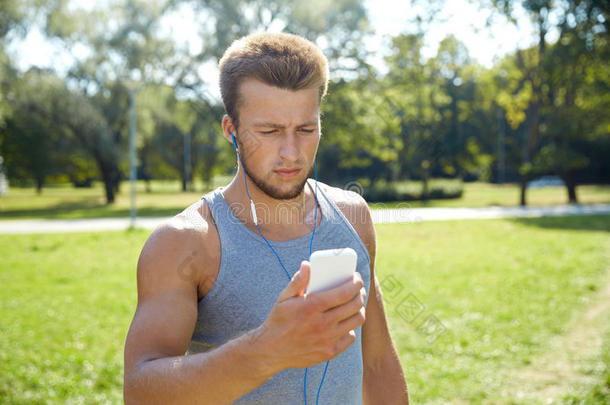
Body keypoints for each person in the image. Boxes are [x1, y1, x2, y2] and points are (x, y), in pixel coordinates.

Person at [123, 32, 409, 404]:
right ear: (232, 131)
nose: (291, 152)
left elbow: (377, 363)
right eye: (269, 131)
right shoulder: (186, 242)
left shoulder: (353, 216)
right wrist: (266, 350)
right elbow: (141, 391)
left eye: (306, 130)